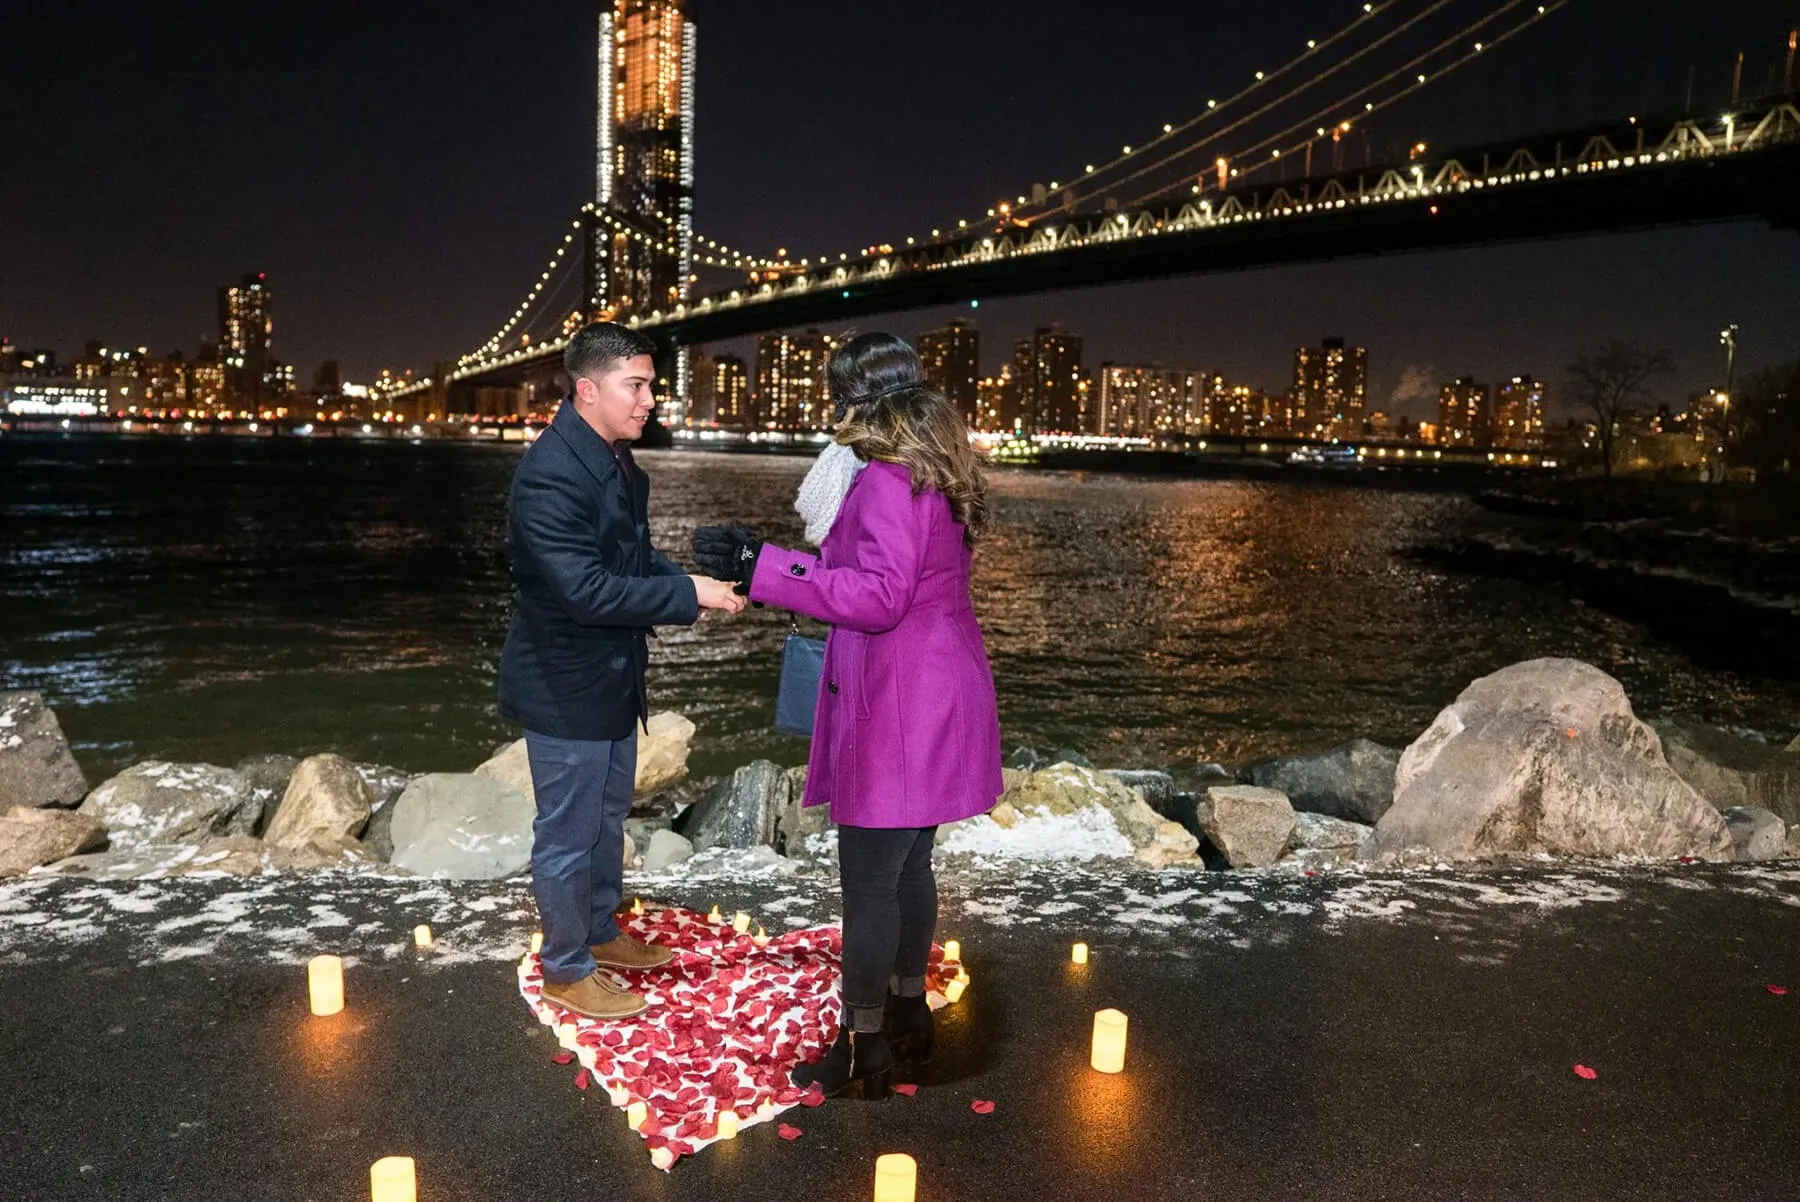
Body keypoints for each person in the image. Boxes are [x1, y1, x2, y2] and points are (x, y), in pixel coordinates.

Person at [691, 332, 1003, 1096]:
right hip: (941, 688)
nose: (832, 411)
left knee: (868, 885)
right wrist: (776, 564)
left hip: (902, 702)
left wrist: (762, 566)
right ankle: (907, 1012)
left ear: (858, 401)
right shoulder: (940, 470)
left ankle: (863, 1047)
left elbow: (878, 595)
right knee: (911, 868)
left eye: (837, 394)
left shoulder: (887, 478)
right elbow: (887, 577)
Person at [498, 321, 745, 1021]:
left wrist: (688, 580)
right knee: (569, 830)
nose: (648, 402)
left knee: (607, 817)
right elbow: (588, 591)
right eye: (635, 387)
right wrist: (684, 594)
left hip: (610, 675)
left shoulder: (612, 459)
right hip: (565, 681)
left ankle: (600, 933)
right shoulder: (550, 473)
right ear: (587, 390)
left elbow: (629, 565)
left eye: (650, 387)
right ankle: (567, 967)